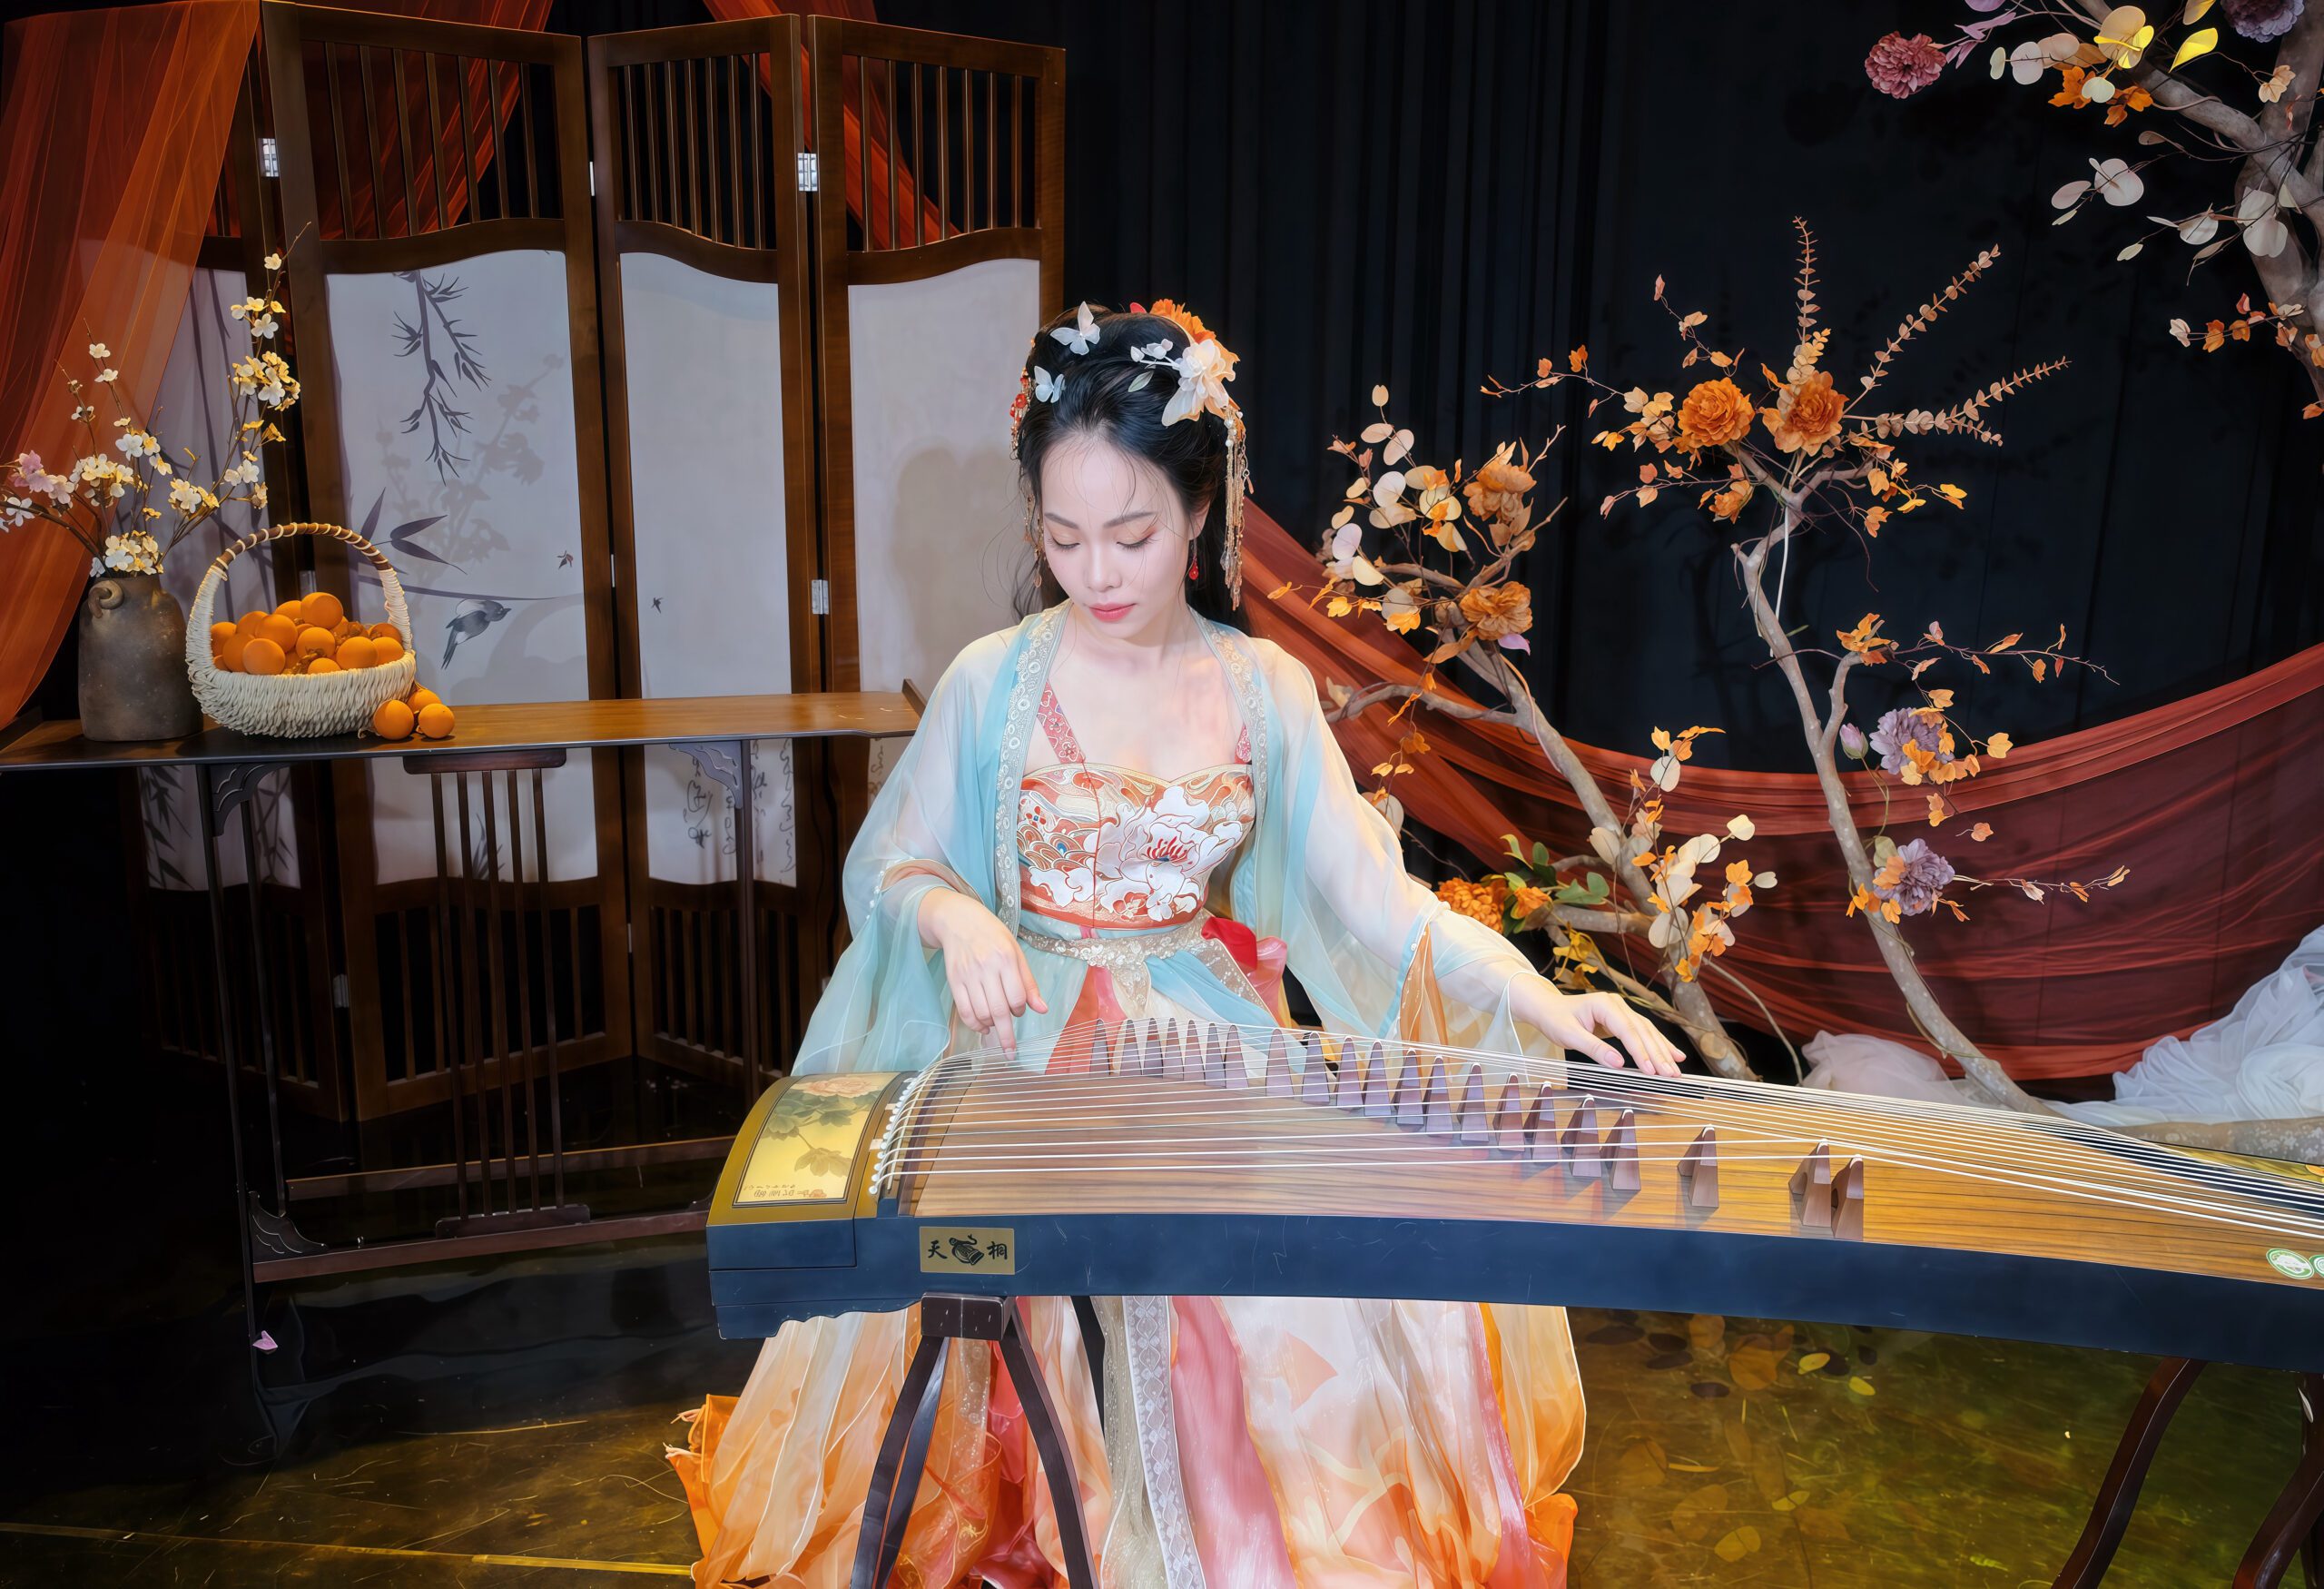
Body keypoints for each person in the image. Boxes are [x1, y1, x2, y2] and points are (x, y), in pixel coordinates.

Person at [670, 300, 1686, 1588]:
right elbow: (892, 864)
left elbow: (1380, 905)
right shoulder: (993, 679)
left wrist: (1542, 1000)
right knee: (1014, 1300)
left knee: (1272, 1304)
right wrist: (958, 913)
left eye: (1134, 533)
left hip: (1200, 1042)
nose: (1098, 572)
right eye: (1064, 536)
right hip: (1022, 1044)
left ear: (1202, 510)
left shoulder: (1263, 689)